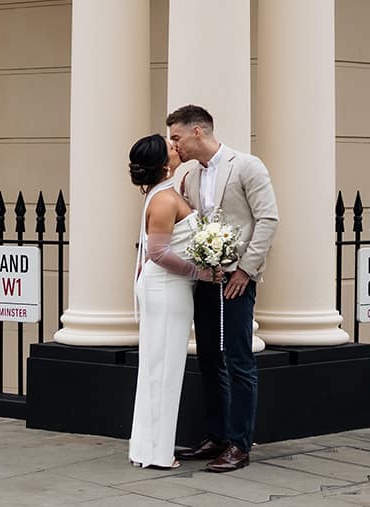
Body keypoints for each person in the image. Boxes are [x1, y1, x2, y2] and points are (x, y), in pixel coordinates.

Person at [167, 104, 279, 474]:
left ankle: (239, 444)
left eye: (177, 137)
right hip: (205, 278)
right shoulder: (191, 177)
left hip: (236, 280)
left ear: (197, 132)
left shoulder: (247, 165)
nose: (175, 145)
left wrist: (245, 271)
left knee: (238, 359)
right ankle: (215, 436)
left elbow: (268, 219)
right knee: (210, 359)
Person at [127, 133, 212, 469]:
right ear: (164, 164)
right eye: (170, 147)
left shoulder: (164, 192)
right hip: (166, 289)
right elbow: (158, 253)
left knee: (159, 368)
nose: (175, 147)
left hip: (170, 289)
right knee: (162, 370)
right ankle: (158, 453)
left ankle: (147, 448)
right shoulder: (163, 200)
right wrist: (199, 273)